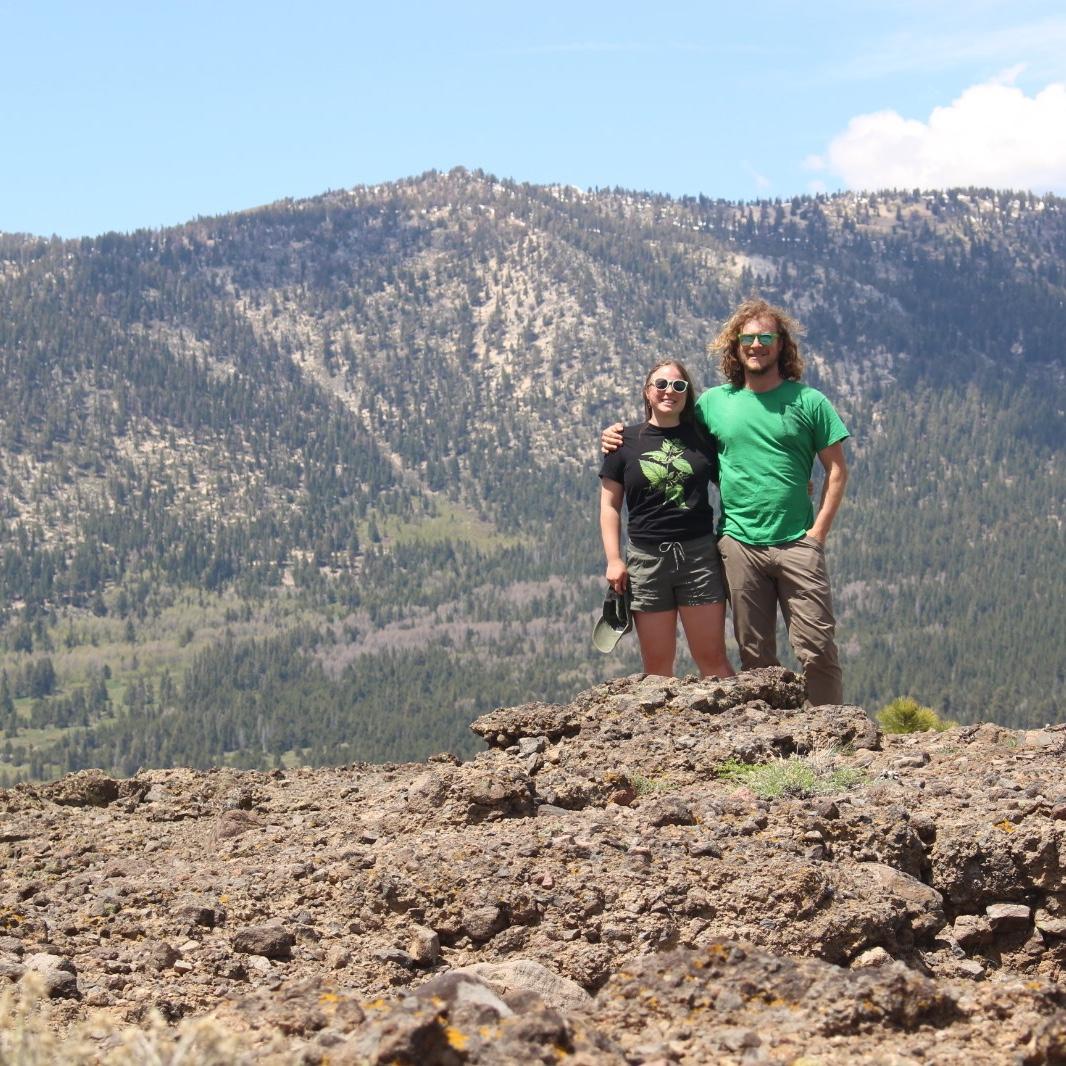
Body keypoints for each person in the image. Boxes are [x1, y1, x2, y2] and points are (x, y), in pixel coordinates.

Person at [602, 297, 849, 705]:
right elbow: (667, 429)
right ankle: (772, 739)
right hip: (737, 543)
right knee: (754, 654)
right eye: (747, 339)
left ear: (781, 345)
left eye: (765, 337)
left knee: (817, 646)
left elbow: (837, 470)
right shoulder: (713, 404)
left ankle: (836, 735)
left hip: (797, 542)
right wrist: (616, 434)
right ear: (734, 348)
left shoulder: (810, 402)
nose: (756, 345)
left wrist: (817, 533)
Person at [599, 359, 735, 679]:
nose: (669, 392)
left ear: (687, 394)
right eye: (660, 385)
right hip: (646, 561)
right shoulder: (622, 443)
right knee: (657, 670)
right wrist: (614, 559)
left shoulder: (704, 440)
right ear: (647, 392)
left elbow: (737, 477)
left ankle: (732, 726)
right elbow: (609, 505)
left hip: (698, 557)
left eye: (678, 386)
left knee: (713, 660)